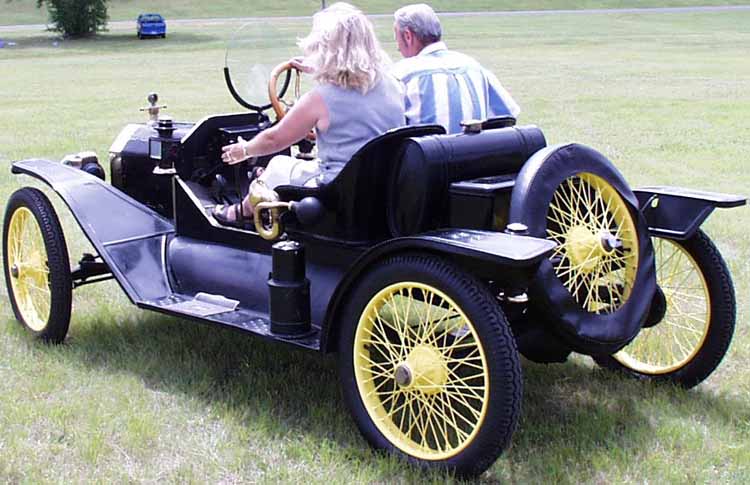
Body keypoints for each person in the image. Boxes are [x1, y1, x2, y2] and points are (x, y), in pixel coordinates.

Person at [214, 2, 405, 227]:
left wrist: (244, 150)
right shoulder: (394, 84)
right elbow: (356, 90)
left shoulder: (320, 99)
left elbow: (274, 138)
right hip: (383, 184)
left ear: (325, 49)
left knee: (278, 165)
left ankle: (241, 212)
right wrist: (317, 67)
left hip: (338, 188)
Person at [390, 3, 520, 134]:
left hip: (428, 153)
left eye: (397, 40)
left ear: (408, 36)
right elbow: (508, 117)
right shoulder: (474, 67)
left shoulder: (401, 75)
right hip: (474, 152)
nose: (398, 48)